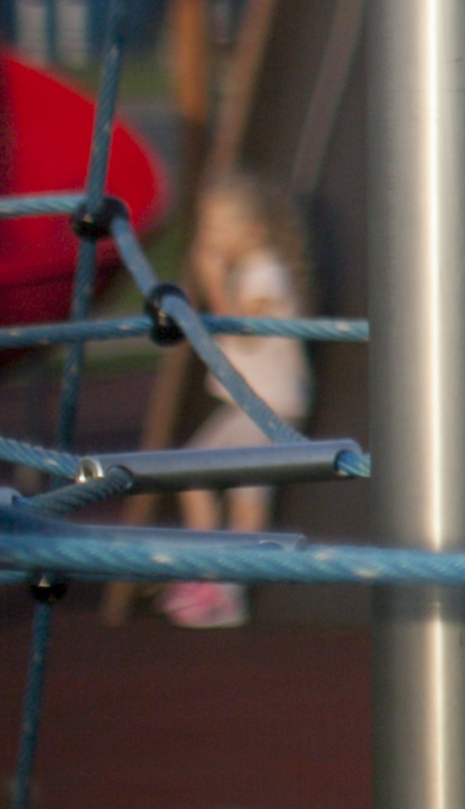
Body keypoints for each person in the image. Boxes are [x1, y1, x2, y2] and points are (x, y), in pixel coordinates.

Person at [158, 174, 313, 629]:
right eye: (207, 229)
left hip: (271, 407)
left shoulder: (266, 274)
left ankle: (225, 589)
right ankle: (211, 573)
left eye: (219, 229)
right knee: (195, 473)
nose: (209, 239)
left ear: (255, 231)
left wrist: (211, 285)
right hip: (250, 404)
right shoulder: (252, 270)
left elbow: (241, 332)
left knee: (242, 497)